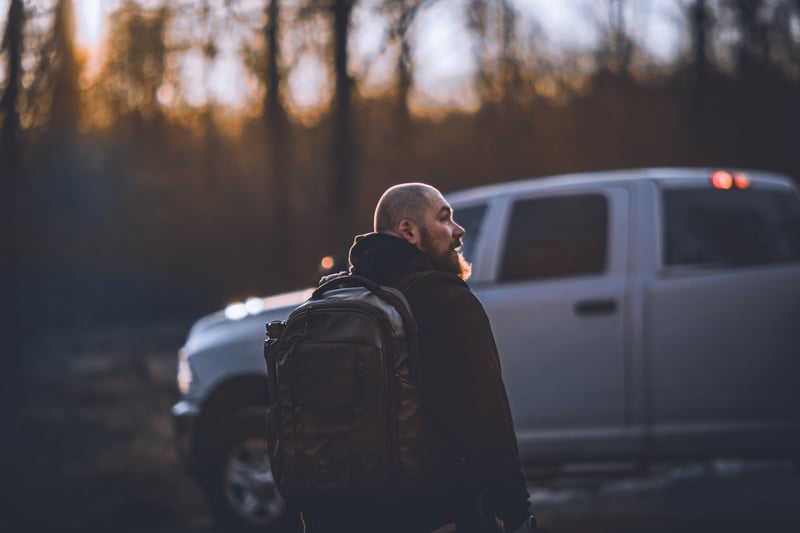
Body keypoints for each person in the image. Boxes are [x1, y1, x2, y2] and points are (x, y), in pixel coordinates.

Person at [300, 183, 535, 533]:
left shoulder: (337, 300)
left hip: (340, 511)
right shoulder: (447, 300)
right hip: (437, 511)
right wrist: (515, 510)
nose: (459, 230)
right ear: (408, 231)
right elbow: (487, 414)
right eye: (445, 218)